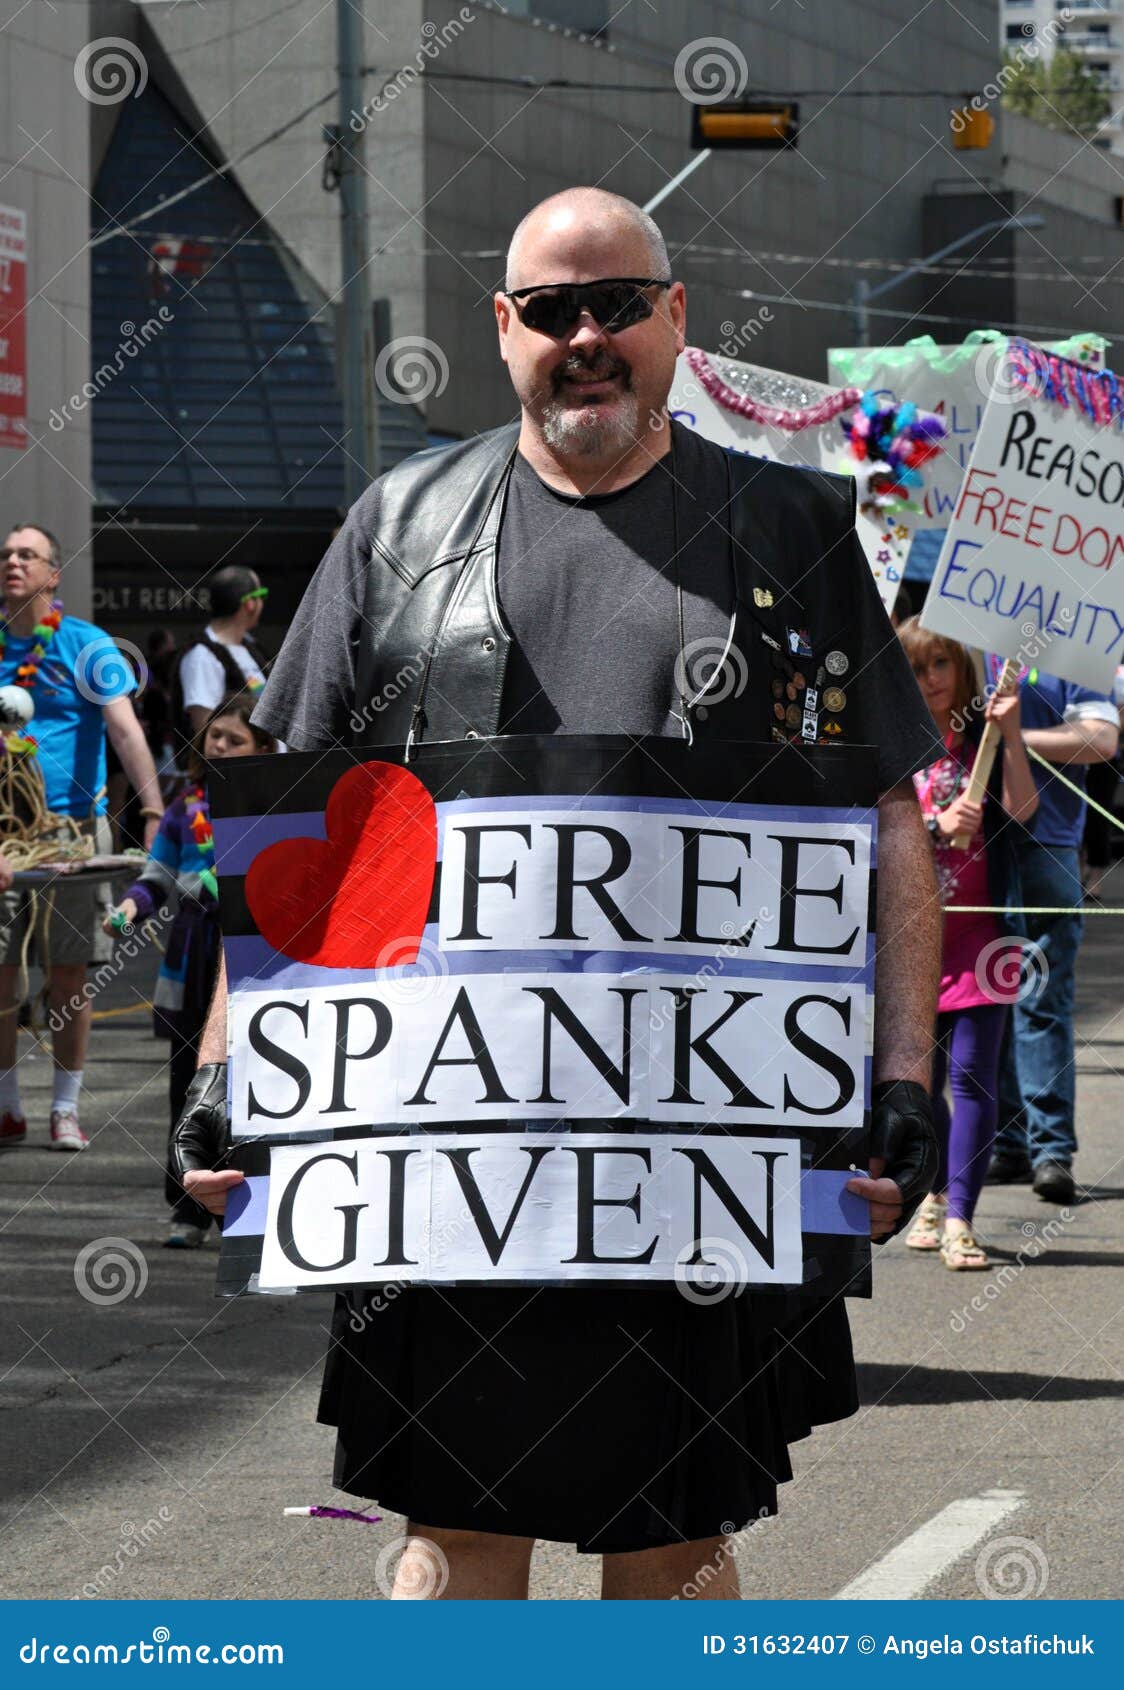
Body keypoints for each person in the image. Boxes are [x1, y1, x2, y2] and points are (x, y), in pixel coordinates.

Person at [171, 188, 942, 1601]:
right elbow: (303, 839)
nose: (587, 339)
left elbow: (887, 814)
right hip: (446, 1167)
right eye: (550, 312)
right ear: (504, 329)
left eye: (619, 306)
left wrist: (904, 1075)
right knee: (452, 1543)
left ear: (676, 318)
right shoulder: (395, 525)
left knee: (678, 1544)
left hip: (707, 1156)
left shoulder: (793, 525)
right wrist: (230, 1074)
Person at [0, 524, 163, 1152]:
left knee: (69, 975)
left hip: (71, 835)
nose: (12, 563)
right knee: (1, 975)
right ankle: (8, 1105)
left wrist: (152, 814)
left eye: (26, 555)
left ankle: (65, 1108)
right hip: (4, 836)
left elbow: (125, 732)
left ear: (53, 572)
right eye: (5, 555)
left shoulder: (88, 645)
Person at [104, 691, 276, 1248]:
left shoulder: (276, 803)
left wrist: (228, 885)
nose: (220, 745)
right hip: (191, 959)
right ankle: (187, 1210)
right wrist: (127, 916)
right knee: (188, 1085)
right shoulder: (184, 806)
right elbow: (156, 879)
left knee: (260, 1085)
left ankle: (258, 1208)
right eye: (216, 736)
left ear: (261, 747)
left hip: (254, 959)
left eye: (235, 738)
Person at [897, 622, 1038, 1269]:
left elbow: (1025, 807)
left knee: (974, 1080)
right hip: (912, 945)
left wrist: (1008, 731)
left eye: (942, 664)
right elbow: (867, 827)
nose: (932, 679)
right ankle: (934, 1190)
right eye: (920, 667)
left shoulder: (980, 739)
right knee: (919, 1088)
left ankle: (961, 1220)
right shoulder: (894, 746)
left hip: (983, 940)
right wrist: (933, 824)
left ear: (961, 667)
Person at [983, 654, 1119, 1204]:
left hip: (1049, 843)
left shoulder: (1074, 652)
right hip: (969, 845)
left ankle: (1050, 1151)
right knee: (986, 993)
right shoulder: (963, 646)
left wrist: (1017, 737)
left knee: (1040, 997)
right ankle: (1010, 1143)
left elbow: (1102, 740)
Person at [174, 566, 270, 745]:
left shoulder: (251, 649)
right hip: (233, 771)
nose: (263, 603)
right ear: (249, 603)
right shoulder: (202, 656)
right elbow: (205, 732)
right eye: (262, 595)